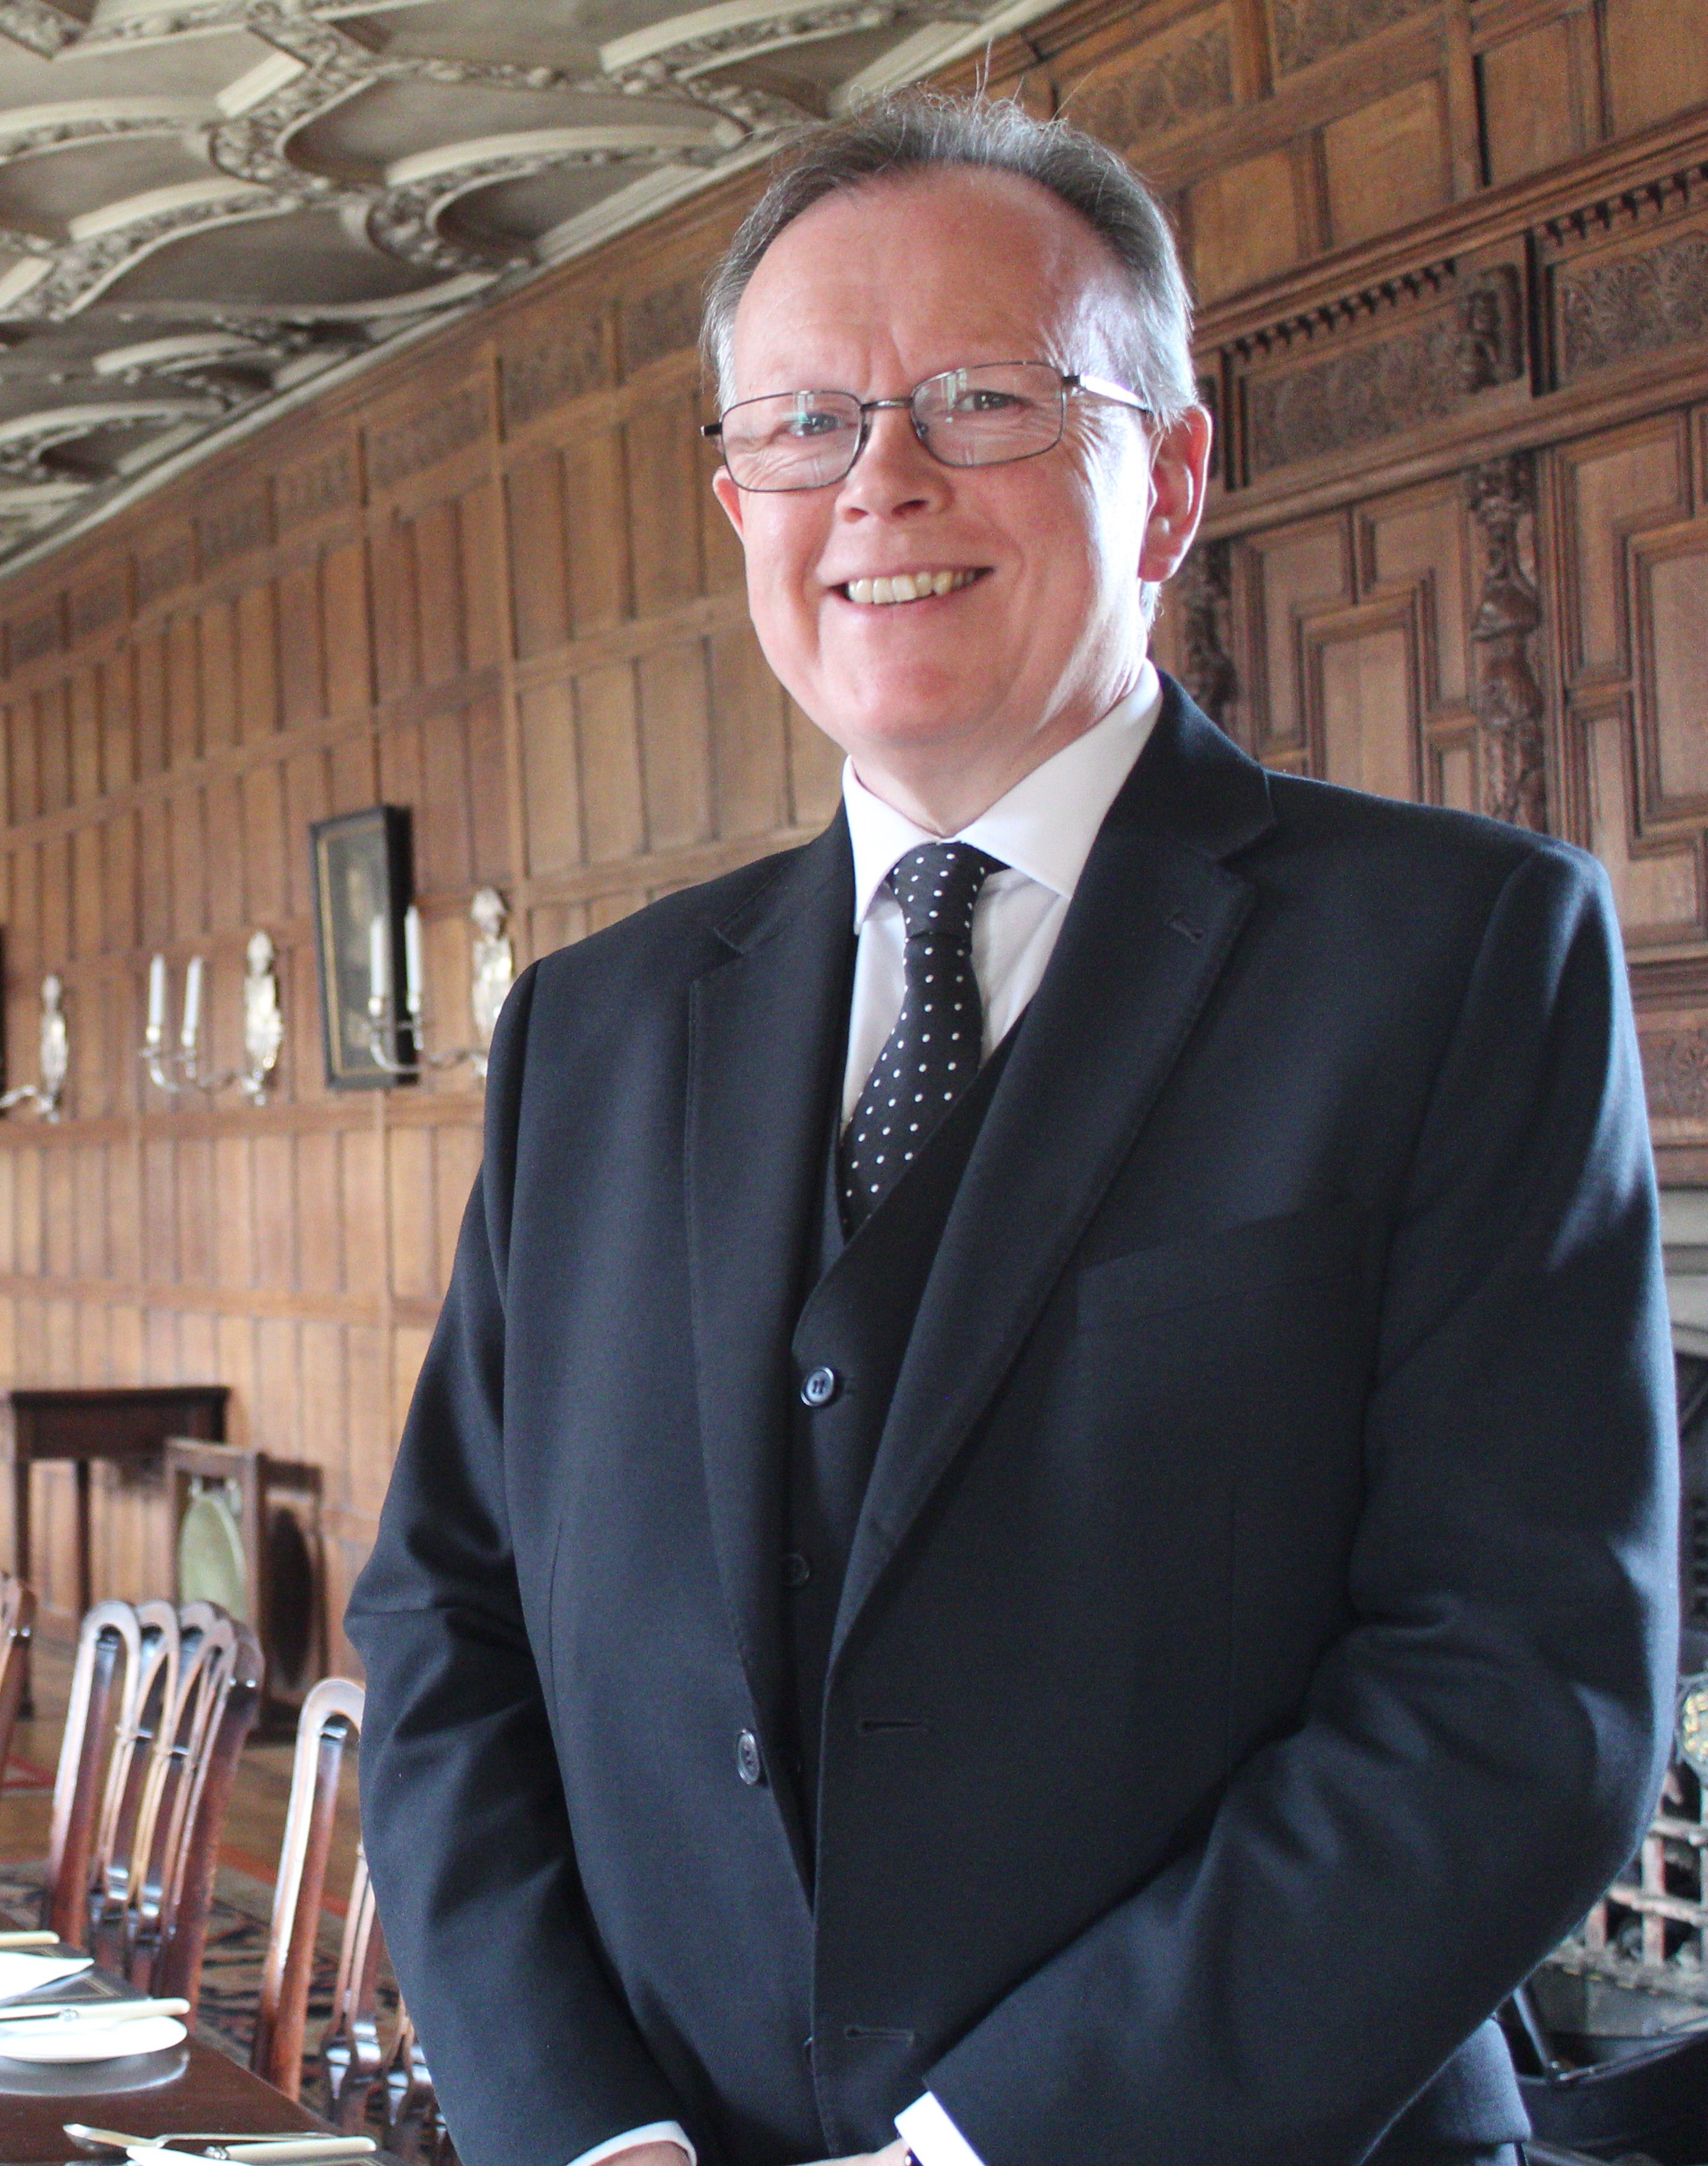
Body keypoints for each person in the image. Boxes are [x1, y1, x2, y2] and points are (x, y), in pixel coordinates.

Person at [347, 94, 1674, 2166]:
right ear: (738, 501)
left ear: (1170, 480)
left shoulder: (1457, 956)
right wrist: (586, 2134)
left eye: (978, 401)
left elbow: (1522, 1693)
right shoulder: (590, 1034)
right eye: (803, 425)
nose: (878, 482)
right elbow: (449, 1622)